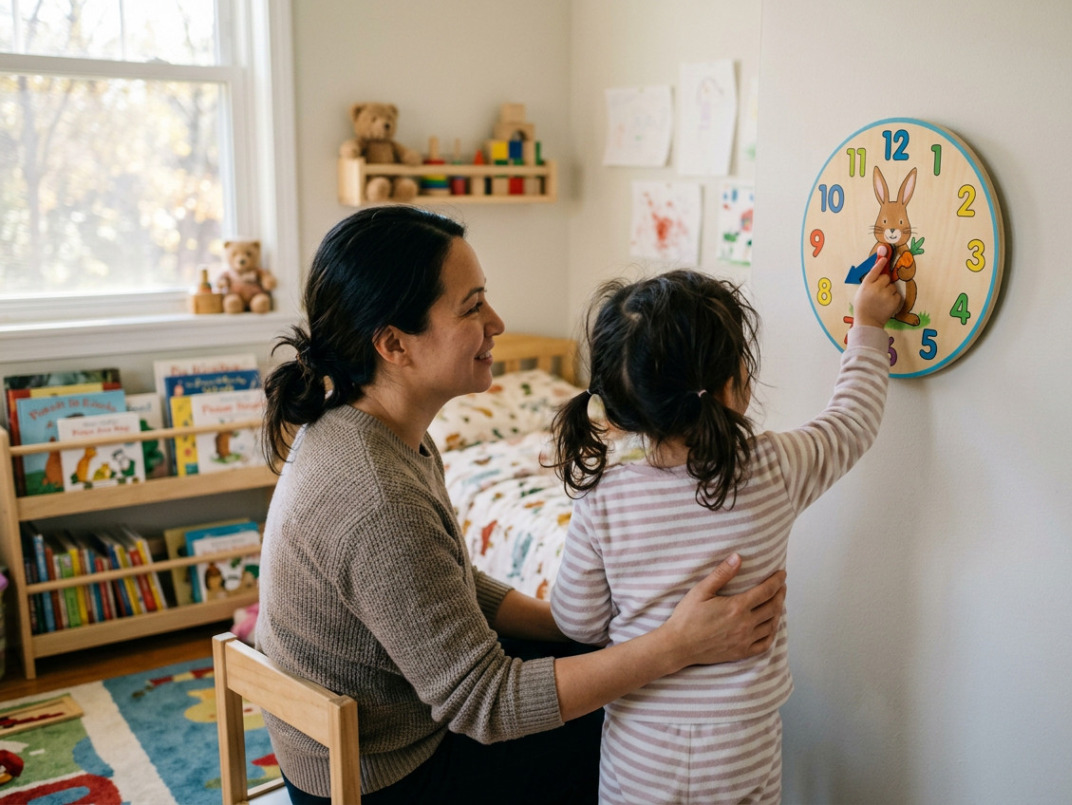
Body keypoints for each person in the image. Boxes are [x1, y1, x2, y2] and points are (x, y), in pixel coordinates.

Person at [255, 205, 788, 805]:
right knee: (635, 718)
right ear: (393, 344)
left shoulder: (359, 428)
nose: (497, 322)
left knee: (603, 659)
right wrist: (674, 646)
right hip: (389, 777)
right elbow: (485, 704)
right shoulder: (379, 498)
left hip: (365, 740)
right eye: (472, 306)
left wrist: (572, 623)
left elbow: (445, 586)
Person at [548, 262, 901, 804]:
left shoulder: (604, 500)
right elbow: (853, 420)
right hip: (743, 744)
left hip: (642, 744)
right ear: (735, 382)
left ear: (621, 402)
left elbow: (575, 619)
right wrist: (867, 324)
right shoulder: (774, 467)